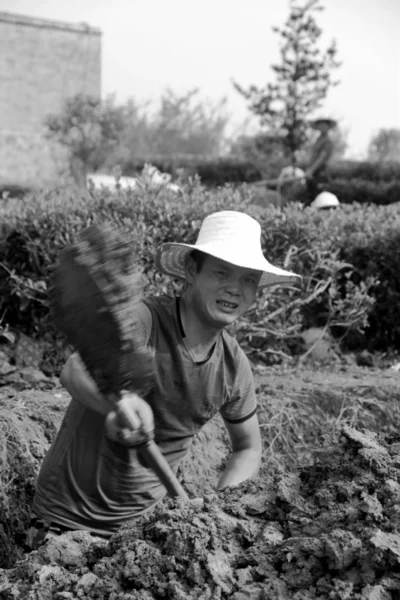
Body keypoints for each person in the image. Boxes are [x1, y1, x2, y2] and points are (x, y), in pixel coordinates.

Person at [26, 210, 302, 550]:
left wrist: (219, 508)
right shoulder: (145, 321)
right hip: (65, 525)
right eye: (221, 272)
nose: (235, 288)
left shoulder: (233, 367)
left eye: (248, 279)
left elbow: (248, 448)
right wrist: (119, 401)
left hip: (142, 539)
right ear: (190, 270)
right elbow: (74, 369)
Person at [305, 117, 337, 204]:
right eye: (320, 125)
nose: (322, 127)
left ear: (328, 127)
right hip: (313, 171)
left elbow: (322, 158)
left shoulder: (328, 142)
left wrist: (311, 170)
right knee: (310, 196)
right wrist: (309, 169)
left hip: (320, 172)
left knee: (321, 197)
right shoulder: (318, 140)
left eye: (324, 125)